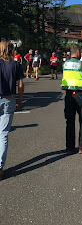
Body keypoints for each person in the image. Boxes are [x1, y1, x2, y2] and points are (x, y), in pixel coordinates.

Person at [0, 42, 24, 180]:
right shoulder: (16, 65)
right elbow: (20, 85)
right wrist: (20, 100)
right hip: (8, 99)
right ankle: (0, 166)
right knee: (3, 134)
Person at [61, 44, 82, 155]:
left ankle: (69, 147)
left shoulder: (65, 64)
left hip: (69, 94)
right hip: (80, 94)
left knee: (69, 121)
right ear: (78, 52)